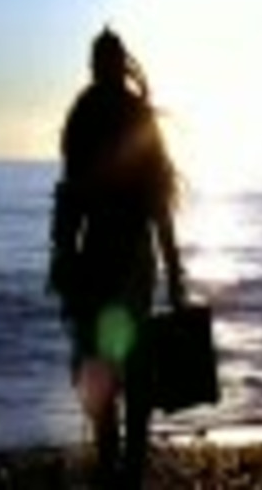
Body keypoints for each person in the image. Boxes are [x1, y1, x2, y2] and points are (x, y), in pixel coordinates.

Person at [46, 27, 186, 489]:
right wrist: (174, 273)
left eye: (102, 60)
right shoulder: (106, 114)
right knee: (118, 361)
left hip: (111, 257)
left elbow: (74, 199)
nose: (101, 69)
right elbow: (155, 203)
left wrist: (63, 254)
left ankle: (120, 461)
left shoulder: (91, 115)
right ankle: (123, 462)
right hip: (119, 258)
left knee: (110, 360)